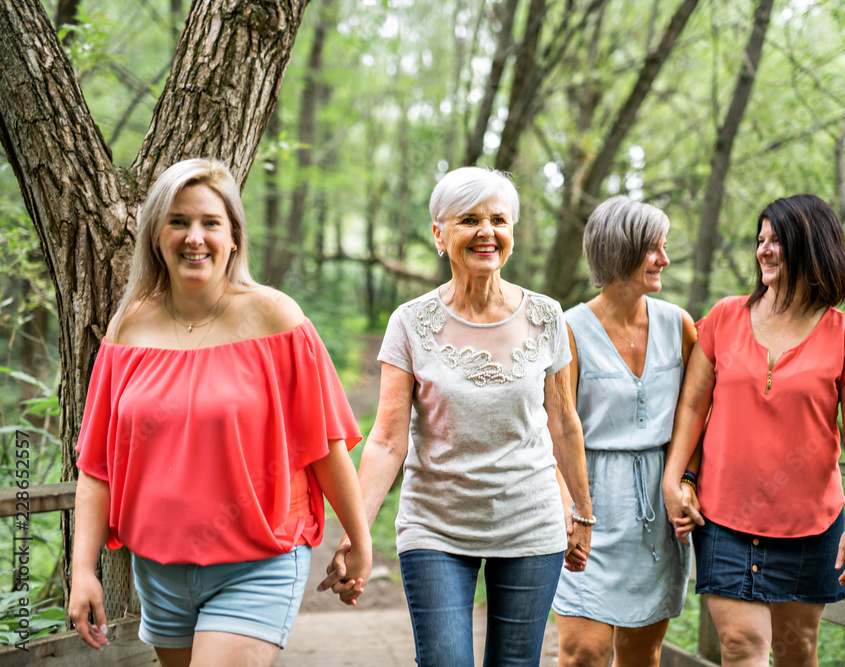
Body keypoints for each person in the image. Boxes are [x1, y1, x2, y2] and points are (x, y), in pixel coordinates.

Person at [68, 158, 372, 667]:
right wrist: (83, 570)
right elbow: (97, 466)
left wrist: (358, 539)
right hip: (160, 570)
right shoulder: (128, 329)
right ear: (155, 237)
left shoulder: (276, 318)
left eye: (211, 222)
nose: (195, 237)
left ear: (233, 238)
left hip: (259, 560)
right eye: (179, 221)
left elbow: (324, 444)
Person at [329, 166, 594, 665]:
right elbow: (386, 440)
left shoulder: (546, 316)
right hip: (437, 524)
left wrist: (582, 512)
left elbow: (563, 423)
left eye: (499, 219)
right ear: (439, 233)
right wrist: (356, 532)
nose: (486, 232)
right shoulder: (409, 322)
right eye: (469, 219)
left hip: (530, 522)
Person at [663, 194, 845, 666]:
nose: (764, 250)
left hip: (810, 524)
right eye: (760, 240)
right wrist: (674, 477)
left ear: (812, 245)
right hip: (724, 517)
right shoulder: (724, 318)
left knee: (796, 649)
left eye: (776, 239)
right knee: (741, 646)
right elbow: (692, 406)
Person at [551, 196, 698, 667]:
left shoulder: (679, 325)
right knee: (583, 653)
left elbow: (695, 419)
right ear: (620, 251)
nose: (665, 259)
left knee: (641, 654)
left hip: (657, 509)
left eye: (664, 246)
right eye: (653, 248)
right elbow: (553, 430)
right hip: (588, 501)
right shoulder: (568, 329)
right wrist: (572, 510)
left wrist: (688, 482)